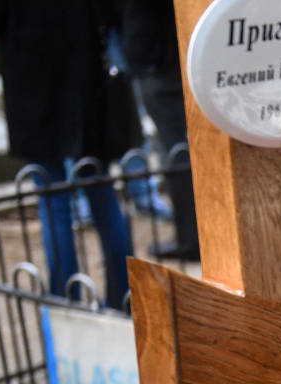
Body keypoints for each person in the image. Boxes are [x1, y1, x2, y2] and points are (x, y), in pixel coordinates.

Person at [0, 0, 137, 309]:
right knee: (99, 188)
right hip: (84, 74)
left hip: (34, 76)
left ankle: (66, 300)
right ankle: (124, 296)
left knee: (53, 195)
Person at [116, 0, 199, 260]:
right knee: (179, 148)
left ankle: (191, 239)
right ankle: (193, 235)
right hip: (173, 50)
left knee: (176, 151)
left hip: (161, 56)